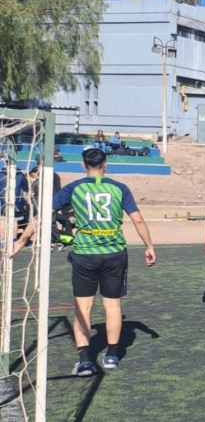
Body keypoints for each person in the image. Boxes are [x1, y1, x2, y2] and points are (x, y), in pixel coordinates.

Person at [15, 148, 156, 376]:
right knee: (112, 306)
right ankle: (111, 356)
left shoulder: (74, 187)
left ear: (83, 166)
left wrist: (21, 240)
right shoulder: (120, 188)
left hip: (85, 254)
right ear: (106, 165)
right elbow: (137, 219)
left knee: (83, 307)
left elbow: (43, 214)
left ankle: (85, 362)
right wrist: (149, 246)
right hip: (114, 253)